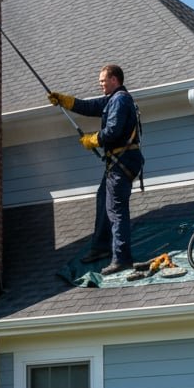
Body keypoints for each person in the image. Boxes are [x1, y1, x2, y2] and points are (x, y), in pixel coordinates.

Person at [48, 64, 143, 275]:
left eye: (103, 80)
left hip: (122, 161)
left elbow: (113, 131)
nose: (100, 84)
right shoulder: (114, 99)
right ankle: (101, 248)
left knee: (116, 210)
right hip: (120, 161)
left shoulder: (120, 100)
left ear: (115, 80)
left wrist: (93, 139)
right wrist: (65, 100)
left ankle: (122, 258)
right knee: (103, 200)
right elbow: (90, 107)